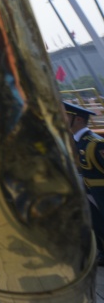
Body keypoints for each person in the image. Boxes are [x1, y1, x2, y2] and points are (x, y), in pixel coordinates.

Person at [65, 100, 104, 260]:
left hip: (99, 193)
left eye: (65, 116)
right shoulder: (74, 142)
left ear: (79, 119)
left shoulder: (95, 144)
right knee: (94, 223)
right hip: (87, 193)